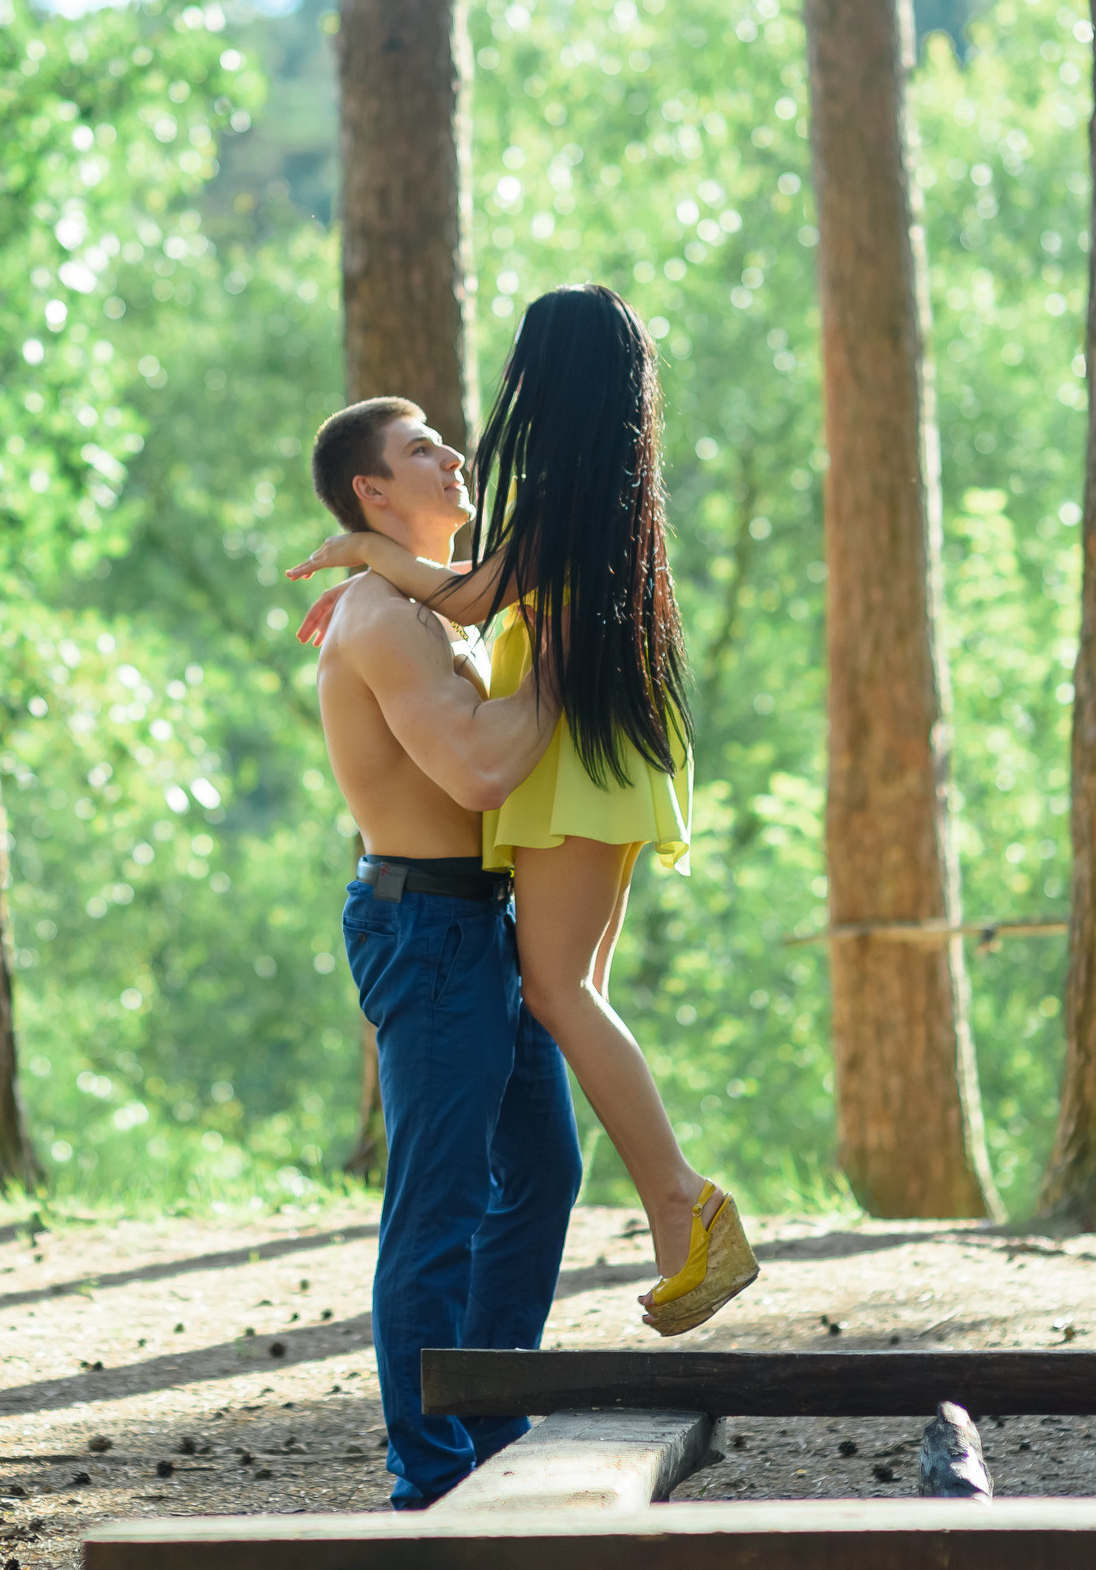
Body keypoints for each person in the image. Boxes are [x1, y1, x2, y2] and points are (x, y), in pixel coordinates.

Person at [290, 284, 757, 1341]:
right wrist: (383, 567)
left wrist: (362, 552)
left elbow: (463, 597)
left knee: (558, 989)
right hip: (613, 751)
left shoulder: (562, 493)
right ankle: (672, 1215)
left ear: (546, 381)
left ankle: (682, 1203)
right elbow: (469, 585)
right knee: (572, 991)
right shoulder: (609, 490)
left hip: (577, 763)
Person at [302, 393, 583, 1510]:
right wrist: (560, 668)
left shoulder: (436, 607)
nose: (452, 454)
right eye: (420, 448)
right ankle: (429, 1473)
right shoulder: (379, 618)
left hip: (482, 923)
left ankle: (488, 1418)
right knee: (438, 1202)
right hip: (425, 928)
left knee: (545, 1170)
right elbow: (476, 774)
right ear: (372, 490)